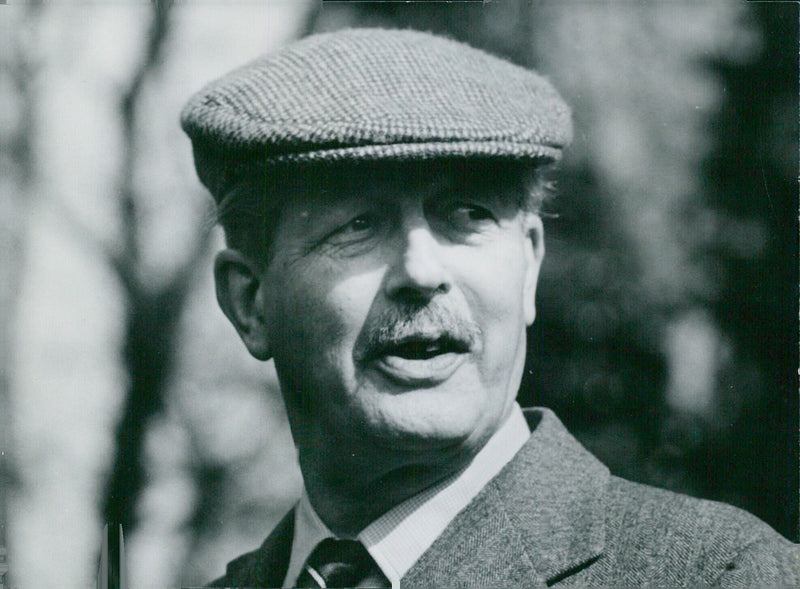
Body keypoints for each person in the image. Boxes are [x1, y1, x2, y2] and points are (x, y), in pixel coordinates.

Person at [181, 28, 798, 588]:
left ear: (529, 264)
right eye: (358, 225)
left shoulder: (717, 575)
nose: (422, 273)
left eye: (468, 215)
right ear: (250, 303)